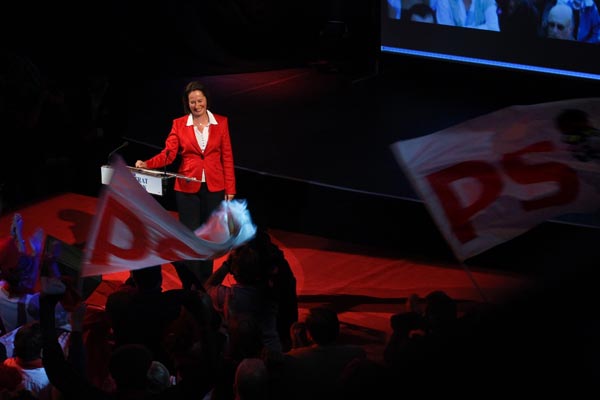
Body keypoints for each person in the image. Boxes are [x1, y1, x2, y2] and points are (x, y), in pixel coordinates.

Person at [135, 80, 236, 289]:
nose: (197, 105)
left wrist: (230, 189)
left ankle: (206, 282)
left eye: (200, 100)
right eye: (192, 102)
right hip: (187, 188)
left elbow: (227, 156)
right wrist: (148, 165)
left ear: (207, 100)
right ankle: (191, 284)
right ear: (187, 104)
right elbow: (169, 154)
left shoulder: (222, 122)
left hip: (215, 187)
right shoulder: (179, 124)